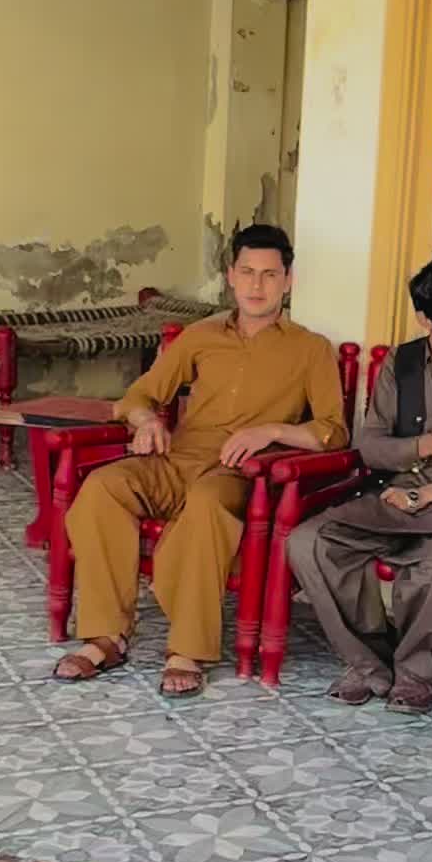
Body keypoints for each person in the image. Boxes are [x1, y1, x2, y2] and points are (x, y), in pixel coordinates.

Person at [52, 223, 347, 699]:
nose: (256, 285)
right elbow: (139, 395)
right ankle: (107, 636)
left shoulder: (310, 349)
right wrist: (147, 420)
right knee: (103, 487)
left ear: (288, 281)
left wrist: (271, 431)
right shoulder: (200, 335)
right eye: (247, 272)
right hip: (179, 459)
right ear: (231, 275)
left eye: (270, 275)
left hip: (241, 472)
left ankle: (187, 650)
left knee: (208, 502)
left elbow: (333, 430)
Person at [287, 259, 432, 714]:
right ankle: (369, 663)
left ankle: (417, 674)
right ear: (425, 319)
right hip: (391, 495)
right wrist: (427, 445)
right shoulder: (401, 362)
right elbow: (371, 446)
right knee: (308, 541)